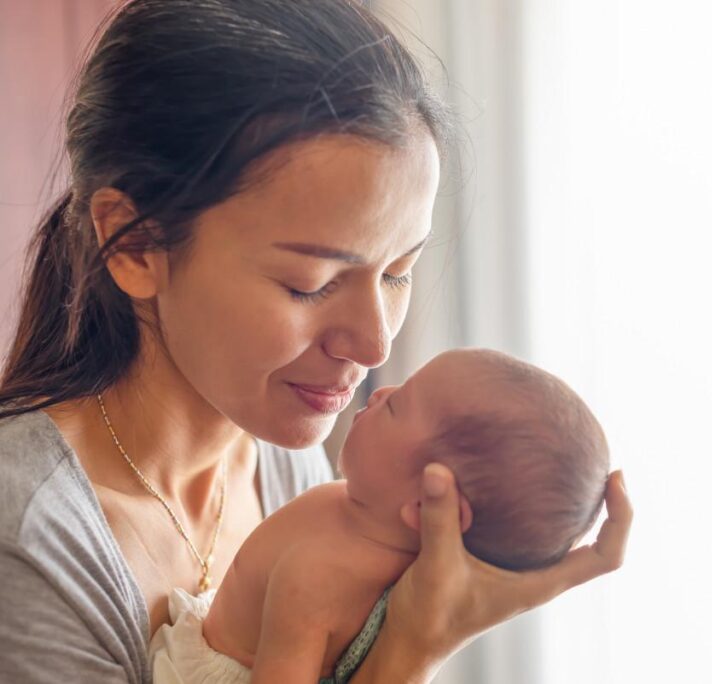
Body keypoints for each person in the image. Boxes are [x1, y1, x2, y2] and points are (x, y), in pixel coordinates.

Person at [0, 1, 631, 682]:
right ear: (138, 244)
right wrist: (413, 648)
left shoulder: (286, 463)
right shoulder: (31, 540)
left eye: (398, 273)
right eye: (309, 283)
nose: (373, 345)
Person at [149, 347, 610, 682]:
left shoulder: (319, 575)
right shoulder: (374, 528)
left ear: (431, 504)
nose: (379, 391)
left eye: (396, 405)